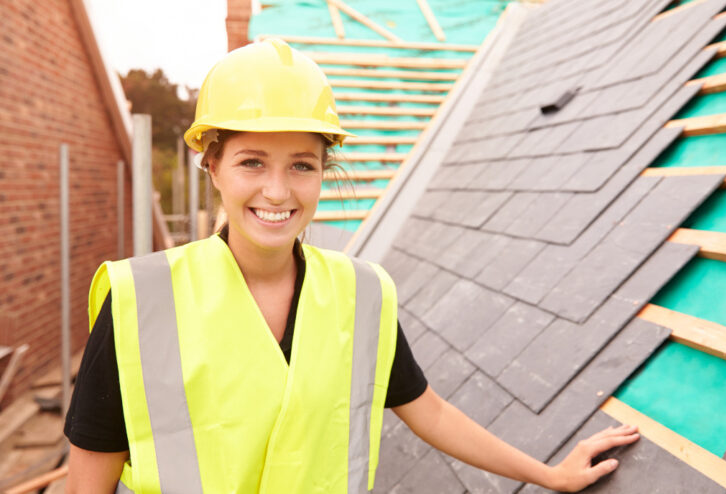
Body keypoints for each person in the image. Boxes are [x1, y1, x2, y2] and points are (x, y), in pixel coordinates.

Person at [64, 39, 639, 493]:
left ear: (322, 171)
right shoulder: (142, 301)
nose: (277, 190)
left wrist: (551, 473)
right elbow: (89, 481)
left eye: (302, 166)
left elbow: (429, 412)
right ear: (211, 164)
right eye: (252, 161)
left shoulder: (360, 294)